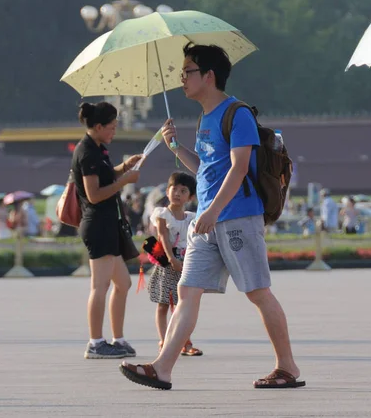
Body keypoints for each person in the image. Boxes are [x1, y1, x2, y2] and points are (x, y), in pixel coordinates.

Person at [120, 44, 304, 390]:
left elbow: (238, 168)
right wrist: (175, 148)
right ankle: (162, 368)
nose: (182, 78)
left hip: (236, 218)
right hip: (207, 222)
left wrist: (214, 210)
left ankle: (287, 367)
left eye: (188, 71)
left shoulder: (238, 113)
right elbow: (207, 170)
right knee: (187, 291)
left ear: (209, 76)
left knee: (257, 292)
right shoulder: (206, 118)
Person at [72, 101, 142, 359]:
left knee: (122, 283)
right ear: (98, 126)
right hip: (97, 225)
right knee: (99, 286)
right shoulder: (87, 152)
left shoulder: (98, 148)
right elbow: (94, 194)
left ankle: (118, 339)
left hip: (108, 225)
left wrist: (123, 168)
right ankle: (95, 342)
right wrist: (125, 181)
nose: (114, 131)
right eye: (111, 127)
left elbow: (104, 177)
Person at [147, 172, 202, 357]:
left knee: (184, 305)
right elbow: (162, 236)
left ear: (191, 197)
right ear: (167, 191)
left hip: (186, 263)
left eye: (183, 190)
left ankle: (185, 343)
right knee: (164, 304)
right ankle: (164, 341)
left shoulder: (190, 217)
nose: (177, 193)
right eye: (174, 189)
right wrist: (171, 259)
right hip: (168, 262)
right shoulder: (163, 214)